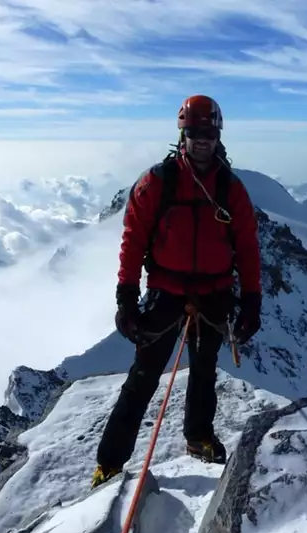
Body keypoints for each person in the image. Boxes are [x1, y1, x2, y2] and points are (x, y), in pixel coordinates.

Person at [92, 95, 263, 488]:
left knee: (203, 371)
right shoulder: (158, 182)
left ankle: (198, 437)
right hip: (166, 291)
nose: (201, 139)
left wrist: (251, 300)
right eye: (194, 132)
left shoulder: (230, 189)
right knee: (144, 376)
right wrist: (125, 297)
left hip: (215, 293)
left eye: (208, 132)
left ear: (218, 135)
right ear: (182, 134)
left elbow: (248, 247)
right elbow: (133, 241)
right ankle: (110, 461)